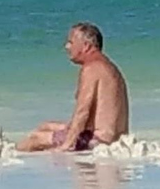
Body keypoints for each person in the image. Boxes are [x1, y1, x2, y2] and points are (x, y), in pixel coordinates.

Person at [17, 22, 129, 152]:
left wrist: (66, 145)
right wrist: (67, 130)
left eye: (71, 42)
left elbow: (82, 112)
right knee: (45, 126)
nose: (66, 47)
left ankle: (14, 162)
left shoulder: (91, 68)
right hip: (113, 137)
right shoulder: (107, 66)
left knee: (34, 139)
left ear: (86, 46)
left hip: (99, 140)